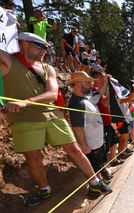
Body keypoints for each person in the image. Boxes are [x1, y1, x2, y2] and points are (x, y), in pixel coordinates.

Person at [0, 32, 112, 206]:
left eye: (45, 47)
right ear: (24, 44)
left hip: (52, 115)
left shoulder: (47, 68)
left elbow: (52, 93)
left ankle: (95, 183)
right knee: (33, 158)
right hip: (24, 119)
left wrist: (26, 102)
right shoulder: (9, 61)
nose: (44, 50)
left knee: (74, 148)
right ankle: (44, 189)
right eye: (39, 46)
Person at [68, 71, 113, 188]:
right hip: (90, 144)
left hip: (96, 141)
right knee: (93, 164)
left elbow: (99, 93)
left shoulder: (86, 97)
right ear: (77, 85)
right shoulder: (76, 103)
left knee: (97, 164)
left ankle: (99, 180)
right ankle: (94, 187)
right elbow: (77, 126)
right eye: (87, 83)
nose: (90, 84)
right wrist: (83, 145)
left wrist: (107, 81)